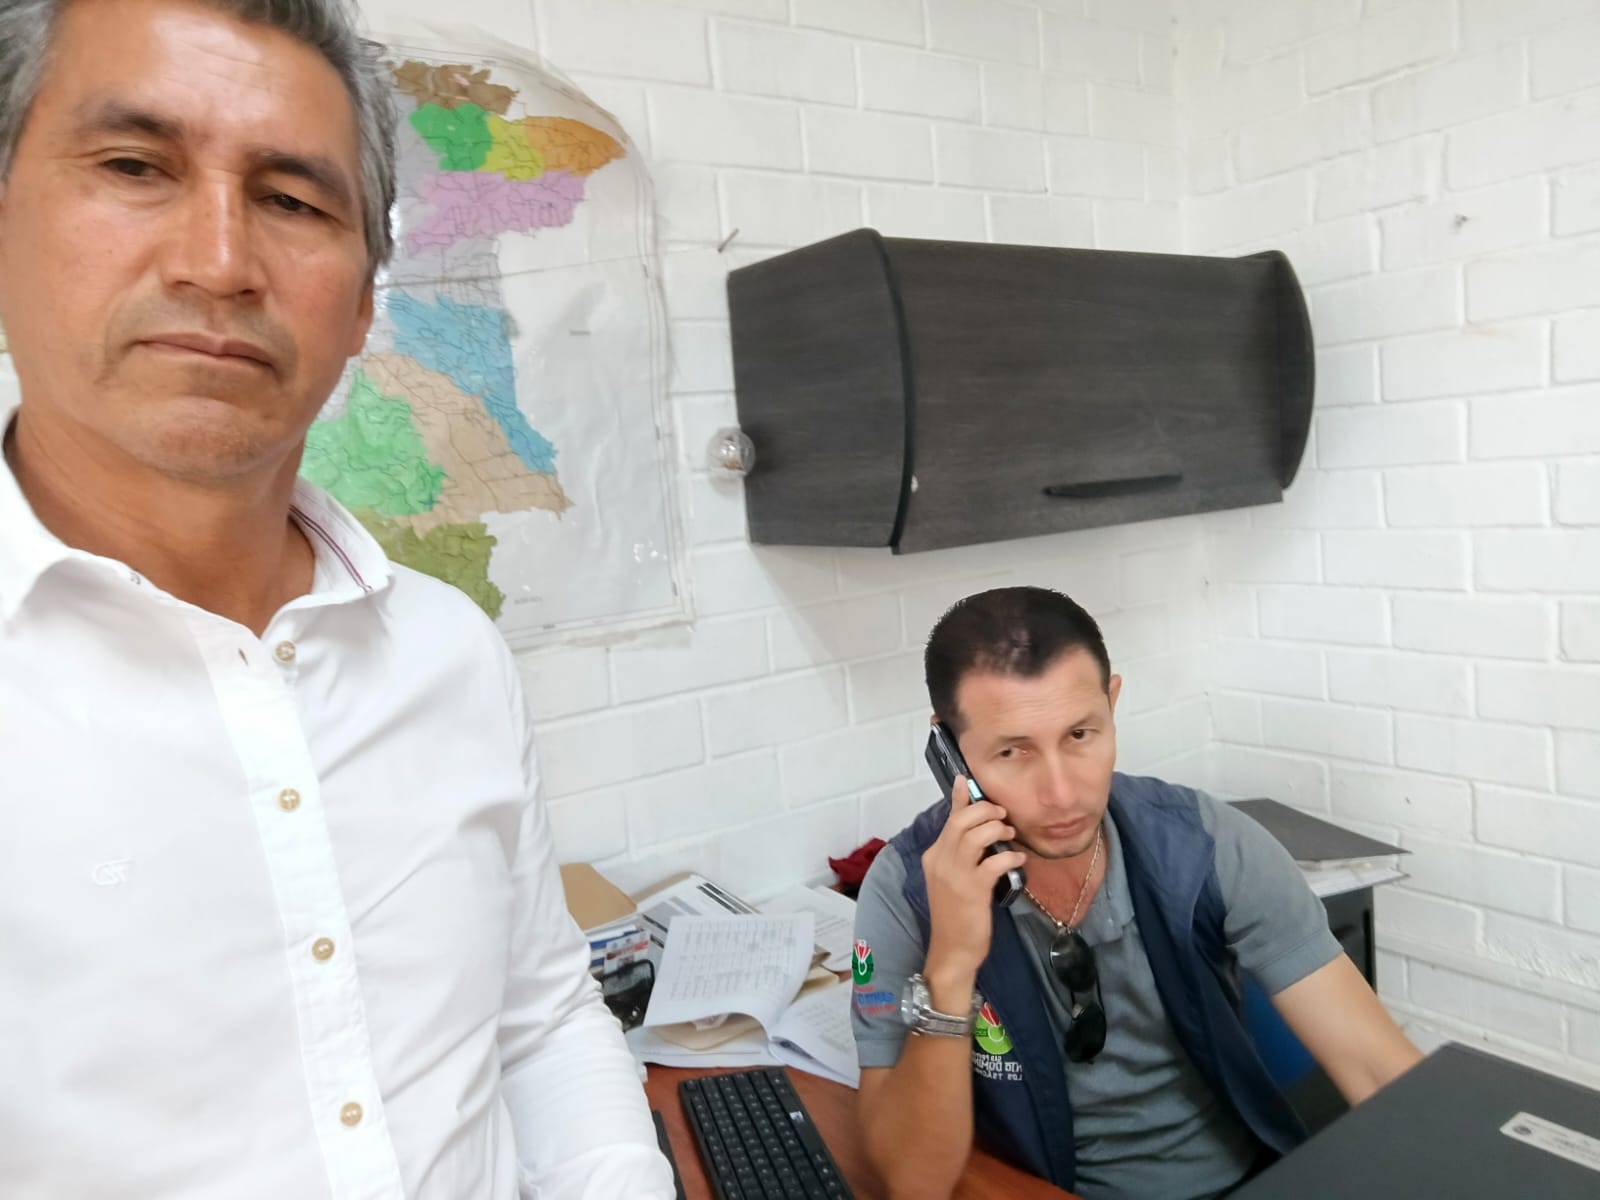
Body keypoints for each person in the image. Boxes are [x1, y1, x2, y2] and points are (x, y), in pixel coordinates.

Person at [0, 0, 674, 1196]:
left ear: (364, 303)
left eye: (292, 201)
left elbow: (538, 1016)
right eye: (135, 167)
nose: (218, 261)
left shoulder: (450, 652)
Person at [850, 586, 1422, 1200]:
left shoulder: (1207, 845)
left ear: (1112, 703)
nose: (1063, 793)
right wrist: (951, 964)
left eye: (1080, 734)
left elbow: (1377, 1069)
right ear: (951, 751)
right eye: (1013, 751)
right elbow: (913, 1182)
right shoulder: (904, 890)